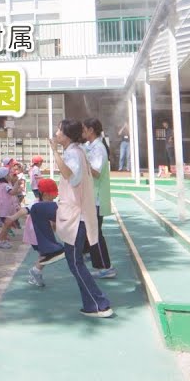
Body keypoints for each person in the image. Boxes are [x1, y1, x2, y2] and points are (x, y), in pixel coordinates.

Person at [50, 119, 114, 318]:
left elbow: (71, 176)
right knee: (75, 261)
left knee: (76, 262)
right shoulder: (77, 151)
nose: (56, 133)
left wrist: (54, 152)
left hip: (78, 216)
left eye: (59, 130)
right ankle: (94, 302)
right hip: (77, 214)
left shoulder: (74, 154)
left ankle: (99, 303)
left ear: (67, 135)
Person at [81, 117, 117, 280]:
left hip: (96, 197)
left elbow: (95, 172)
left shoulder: (99, 149)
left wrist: (82, 162)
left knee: (95, 233)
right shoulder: (90, 146)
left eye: (83, 129)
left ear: (91, 130)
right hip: (90, 195)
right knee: (91, 232)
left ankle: (106, 266)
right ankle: (90, 254)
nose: (81, 132)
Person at [14, 177, 63, 287]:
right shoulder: (36, 204)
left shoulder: (50, 203)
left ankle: (35, 274)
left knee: (46, 254)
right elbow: (24, 210)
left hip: (41, 233)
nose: (56, 195)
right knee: (47, 253)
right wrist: (13, 217)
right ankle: (35, 271)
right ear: (45, 194)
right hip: (36, 233)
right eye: (53, 193)